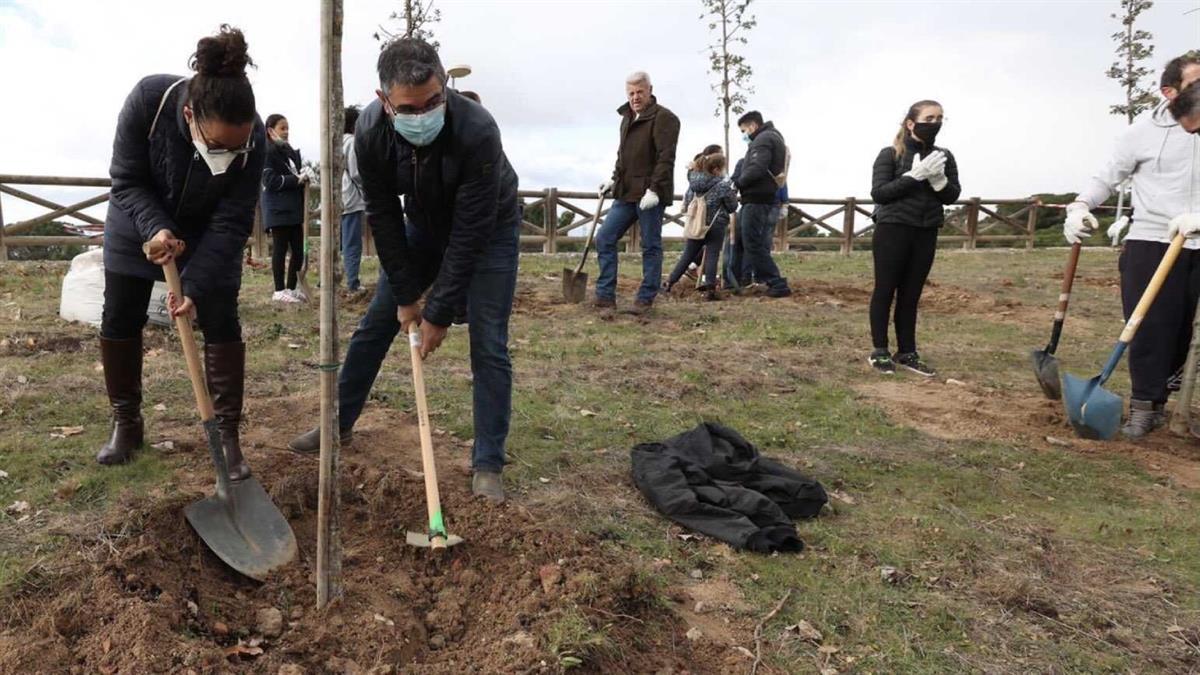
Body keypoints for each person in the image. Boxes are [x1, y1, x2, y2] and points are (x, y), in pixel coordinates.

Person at [288, 38, 521, 504]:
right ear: (383, 101)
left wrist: (438, 313)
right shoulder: (371, 134)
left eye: (433, 101)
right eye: (409, 108)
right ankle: (338, 424)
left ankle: (488, 461)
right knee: (376, 322)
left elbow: (470, 234)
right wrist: (405, 296)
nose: (423, 115)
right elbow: (383, 216)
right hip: (421, 224)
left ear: (445, 86)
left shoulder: (477, 130)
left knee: (488, 338)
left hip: (489, 228)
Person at [97, 25, 265, 481]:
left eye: (238, 148)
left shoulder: (256, 141)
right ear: (190, 115)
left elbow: (233, 220)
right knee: (120, 316)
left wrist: (193, 285)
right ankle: (127, 423)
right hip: (139, 223)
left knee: (221, 319)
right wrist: (156, 228)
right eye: (218, 147)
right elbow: (127, 180)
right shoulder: (149, 102)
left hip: (211, 232)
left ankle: (226, 437)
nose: (229, 156)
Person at [1062, 51, 1200, 438]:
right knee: (1148, 325)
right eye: (1194, 83)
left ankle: (1174, 397)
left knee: (1185, 333)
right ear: (1170, 92)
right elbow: (1106, 176)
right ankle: (1145, 406)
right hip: (1154, 237)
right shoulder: (1139, 133)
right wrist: (1079, 206)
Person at [866, 100, 960, 377]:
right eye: (929, 118)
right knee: (885, 290)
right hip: (893, 228)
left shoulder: (945, 157)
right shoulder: (890, 154)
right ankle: (880, 351)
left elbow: (952, 195)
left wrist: (940, 181)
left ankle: (907, 352)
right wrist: (915, 176)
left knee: (911, 294)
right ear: (911, 123)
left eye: (940, 118)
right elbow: (880, 193)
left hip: (926, 230)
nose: (935, 123)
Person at [594, 71, 680, 314]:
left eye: (639, 92)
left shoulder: (665, 118)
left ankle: (645, 298)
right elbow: (623, 154)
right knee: (605, 238)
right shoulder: (627, 117)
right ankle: (604, 295)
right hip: (626, 192)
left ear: (650, 90)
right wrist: (613, 180)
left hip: (649, 196)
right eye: (631, 93)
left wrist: (654, 189)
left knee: (650, 246)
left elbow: (666, 158)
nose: (635, 97)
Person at [733, 111, 791, 298]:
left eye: (744, 130)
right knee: (747, 240)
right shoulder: (773, 137)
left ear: (753, 125)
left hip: (757, 198)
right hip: (760, 197)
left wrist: (738, 183)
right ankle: (743, 278)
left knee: (753, 243)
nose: (744, 135)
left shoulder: (763, 140)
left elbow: (756, 168)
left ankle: (776, 282)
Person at [664, 152, 737, 300]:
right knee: (712, 254)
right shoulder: (722, 185)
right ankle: (710, 288)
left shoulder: (693, 183)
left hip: (696, 224)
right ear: (716, 169)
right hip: (716, 224)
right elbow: (732, 207)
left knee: (688, 255)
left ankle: (669, 283)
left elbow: (689, 200)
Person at [262, 113, 309, 303]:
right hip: (277, 209)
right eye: (282, 128)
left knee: (298, 250)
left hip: (293, 209)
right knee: (280, 249)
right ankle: (279, 290)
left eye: (288, 128)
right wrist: (295, 180)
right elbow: (269, 180)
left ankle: (291, 288)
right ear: (270, 131)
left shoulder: (290, 152)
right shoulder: (267, 152)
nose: (286, 132)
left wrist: (302, 176)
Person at [341, 105, 365, 293]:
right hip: (351, 197)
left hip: (335, 198)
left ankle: (328, 279)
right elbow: (356, 172)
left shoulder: (333, 142)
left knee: (337, 241)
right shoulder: (351, 142)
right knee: (352, 243)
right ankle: (352, 282)